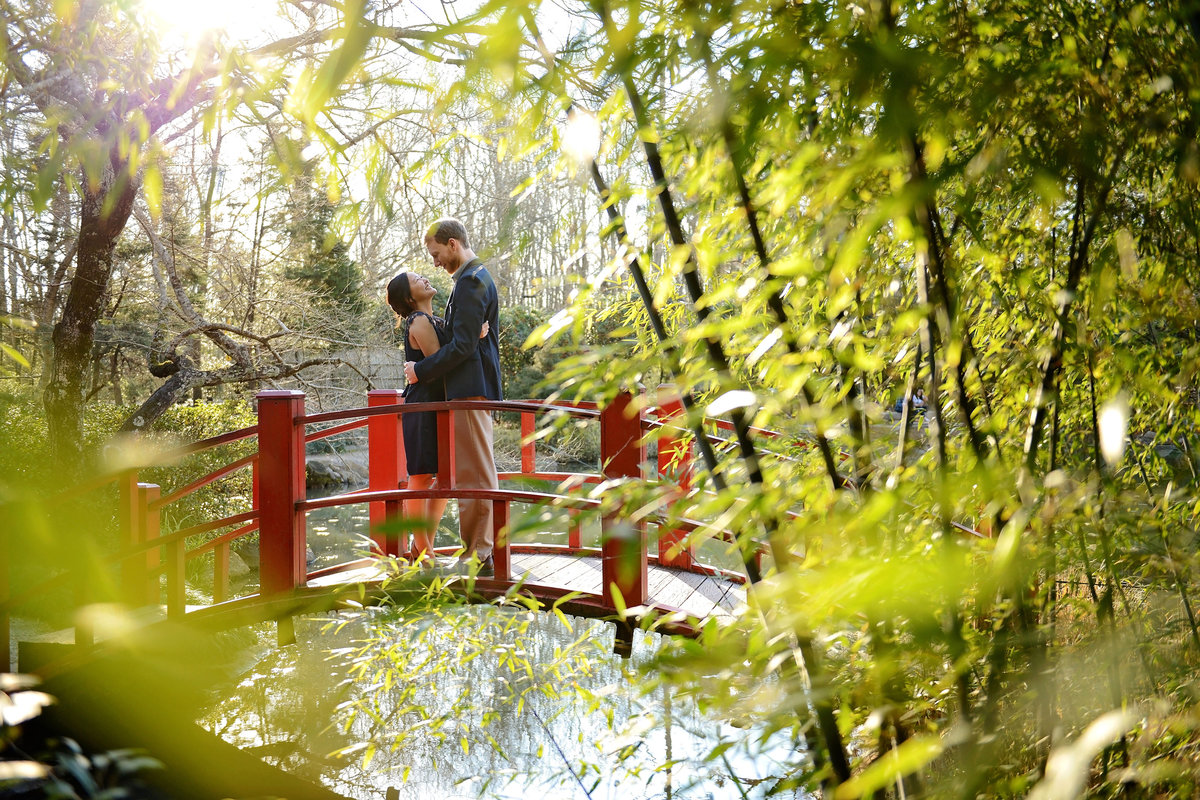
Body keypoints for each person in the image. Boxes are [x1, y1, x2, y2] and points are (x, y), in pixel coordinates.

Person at [403, 218, 502, 577]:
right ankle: (479, 551)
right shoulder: (469, 281)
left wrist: (420, 371)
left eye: (436, 254)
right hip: (470, 387)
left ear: (453, 245)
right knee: (475, 472)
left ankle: (479, 555)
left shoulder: (471, 283)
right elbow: (465, 339)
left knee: (475, 475)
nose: (435, 263)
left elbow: (461, 346)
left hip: (470, 387)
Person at [386, 271, 489, 566]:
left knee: (444, 477)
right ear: (409, 297)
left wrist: (471, 338)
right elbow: (441, 361)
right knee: (421, 476)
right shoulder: (419, 321)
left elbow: (449, 355)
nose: (426, 279)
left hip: (440, 404)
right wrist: (469, 340)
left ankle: (422, 548)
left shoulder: (437, 320)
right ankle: (424, 549)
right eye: (417, 279)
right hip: (423, 406)